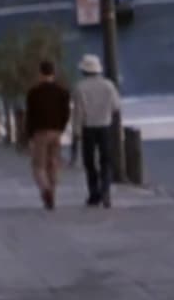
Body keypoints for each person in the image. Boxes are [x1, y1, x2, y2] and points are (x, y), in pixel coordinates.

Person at [23, 60, 73, 209]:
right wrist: (61, 128)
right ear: (53, 73)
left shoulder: (33, 93)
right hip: (56, 132)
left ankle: (45, 190)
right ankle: (52, 193)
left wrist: (29, 135)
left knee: (38, 166)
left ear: (40, 73)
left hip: (40, 132)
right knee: (53, 164)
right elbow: (66, 113)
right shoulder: (63, 92)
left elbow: (30, 116)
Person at [72, 54, 121, 208]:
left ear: (84, 71)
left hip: (88, 128)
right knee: (106, 160)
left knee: (89, 162)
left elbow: (78, 112)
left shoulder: (80, 87)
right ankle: (105, 190)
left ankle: (94, 194)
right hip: (105, 126)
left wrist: (76, 131)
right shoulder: (108, 85)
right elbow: (116, 106)